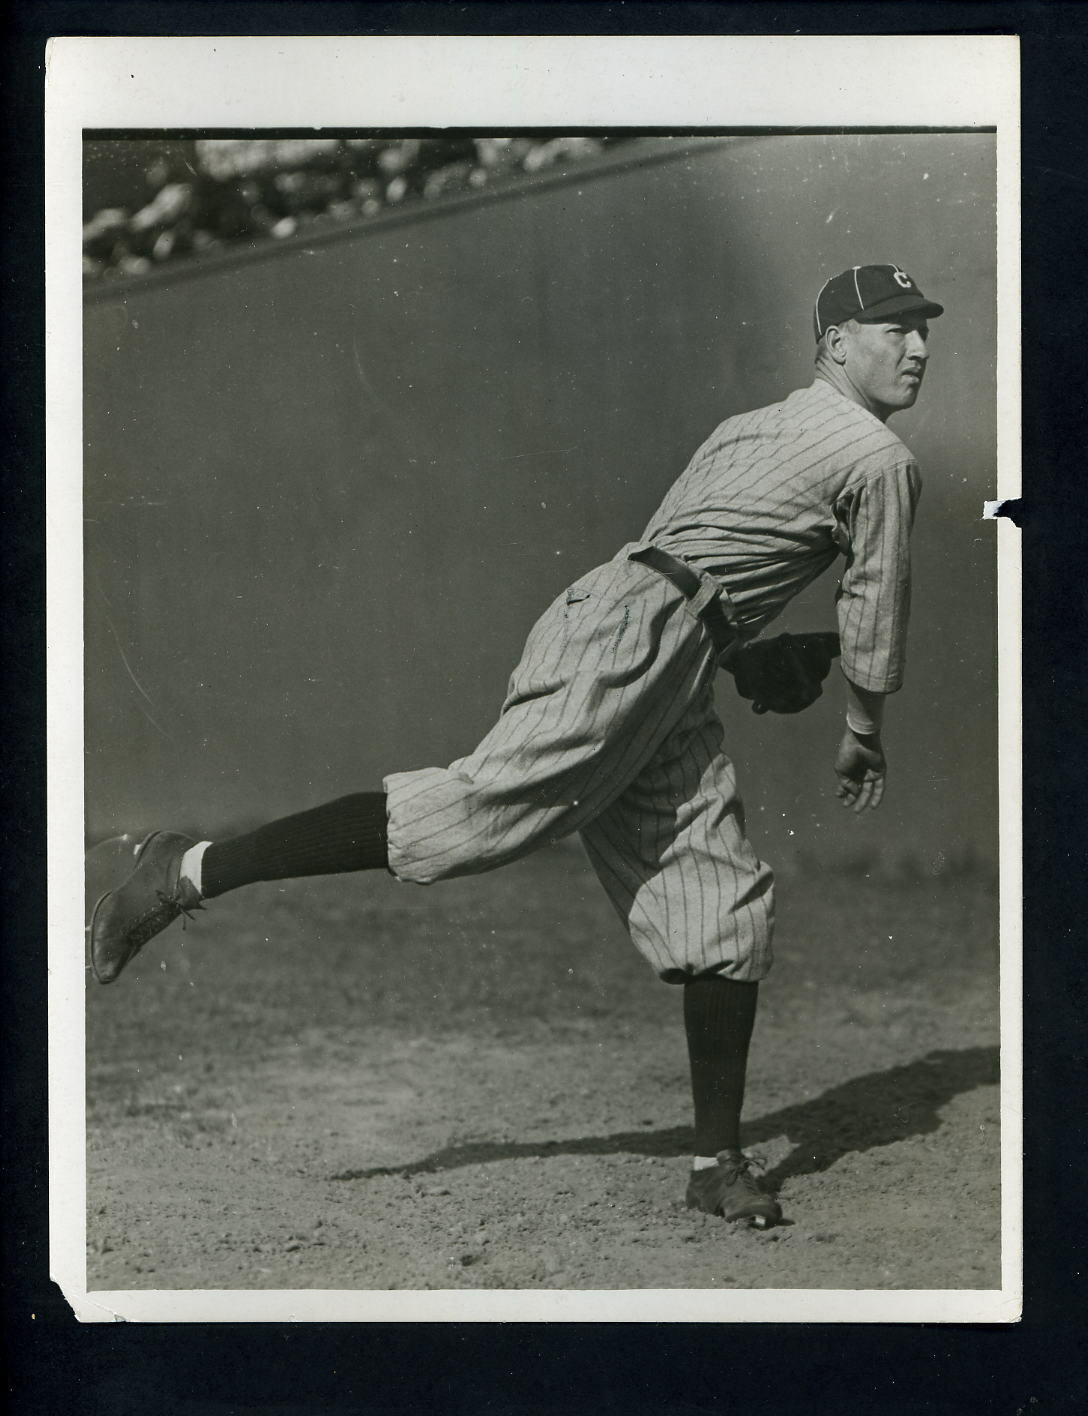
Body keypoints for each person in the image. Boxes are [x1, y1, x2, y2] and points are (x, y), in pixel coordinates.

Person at [91, 263, 943, 1230]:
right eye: (894, 329)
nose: (917, 348)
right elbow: (871, 607)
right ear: (837, 343)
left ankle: (717, 1163)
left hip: (651, 633)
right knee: (468, 817)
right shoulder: (879, 460)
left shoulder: (757, 423)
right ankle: (182, 868)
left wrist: (735, 652)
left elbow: (691, 551)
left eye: (925, 330)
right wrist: (863, 732)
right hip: (639, 638)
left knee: (719, 903)